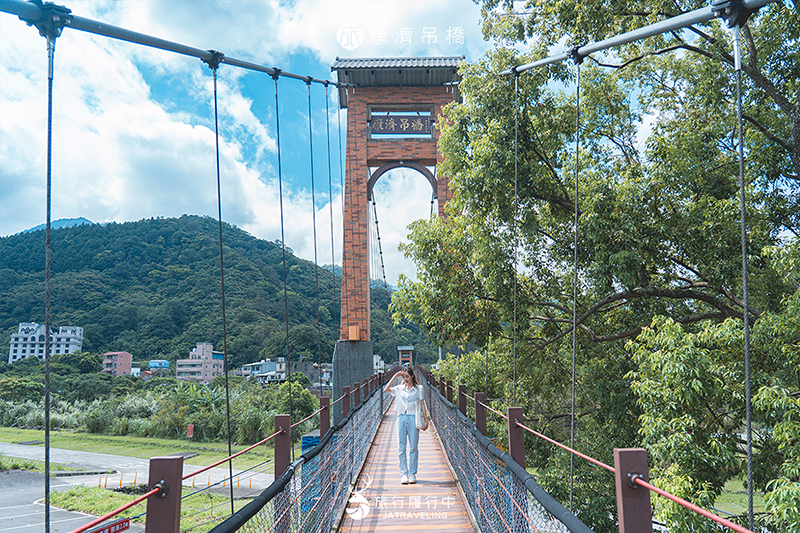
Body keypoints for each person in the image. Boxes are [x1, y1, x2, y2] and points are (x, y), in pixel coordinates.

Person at [384, 366, 423, 484]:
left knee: (413, 447)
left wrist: (425, 420)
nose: (405, 379)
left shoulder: (418, 388)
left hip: (413, 418)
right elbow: (386, 389)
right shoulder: (399, 388)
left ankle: (412, 474)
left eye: (407, 376)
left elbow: (422, 404)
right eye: (403, 376)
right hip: (401, 418)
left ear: (412, 376)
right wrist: (395, 376)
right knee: (401, 448)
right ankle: (404, 474)